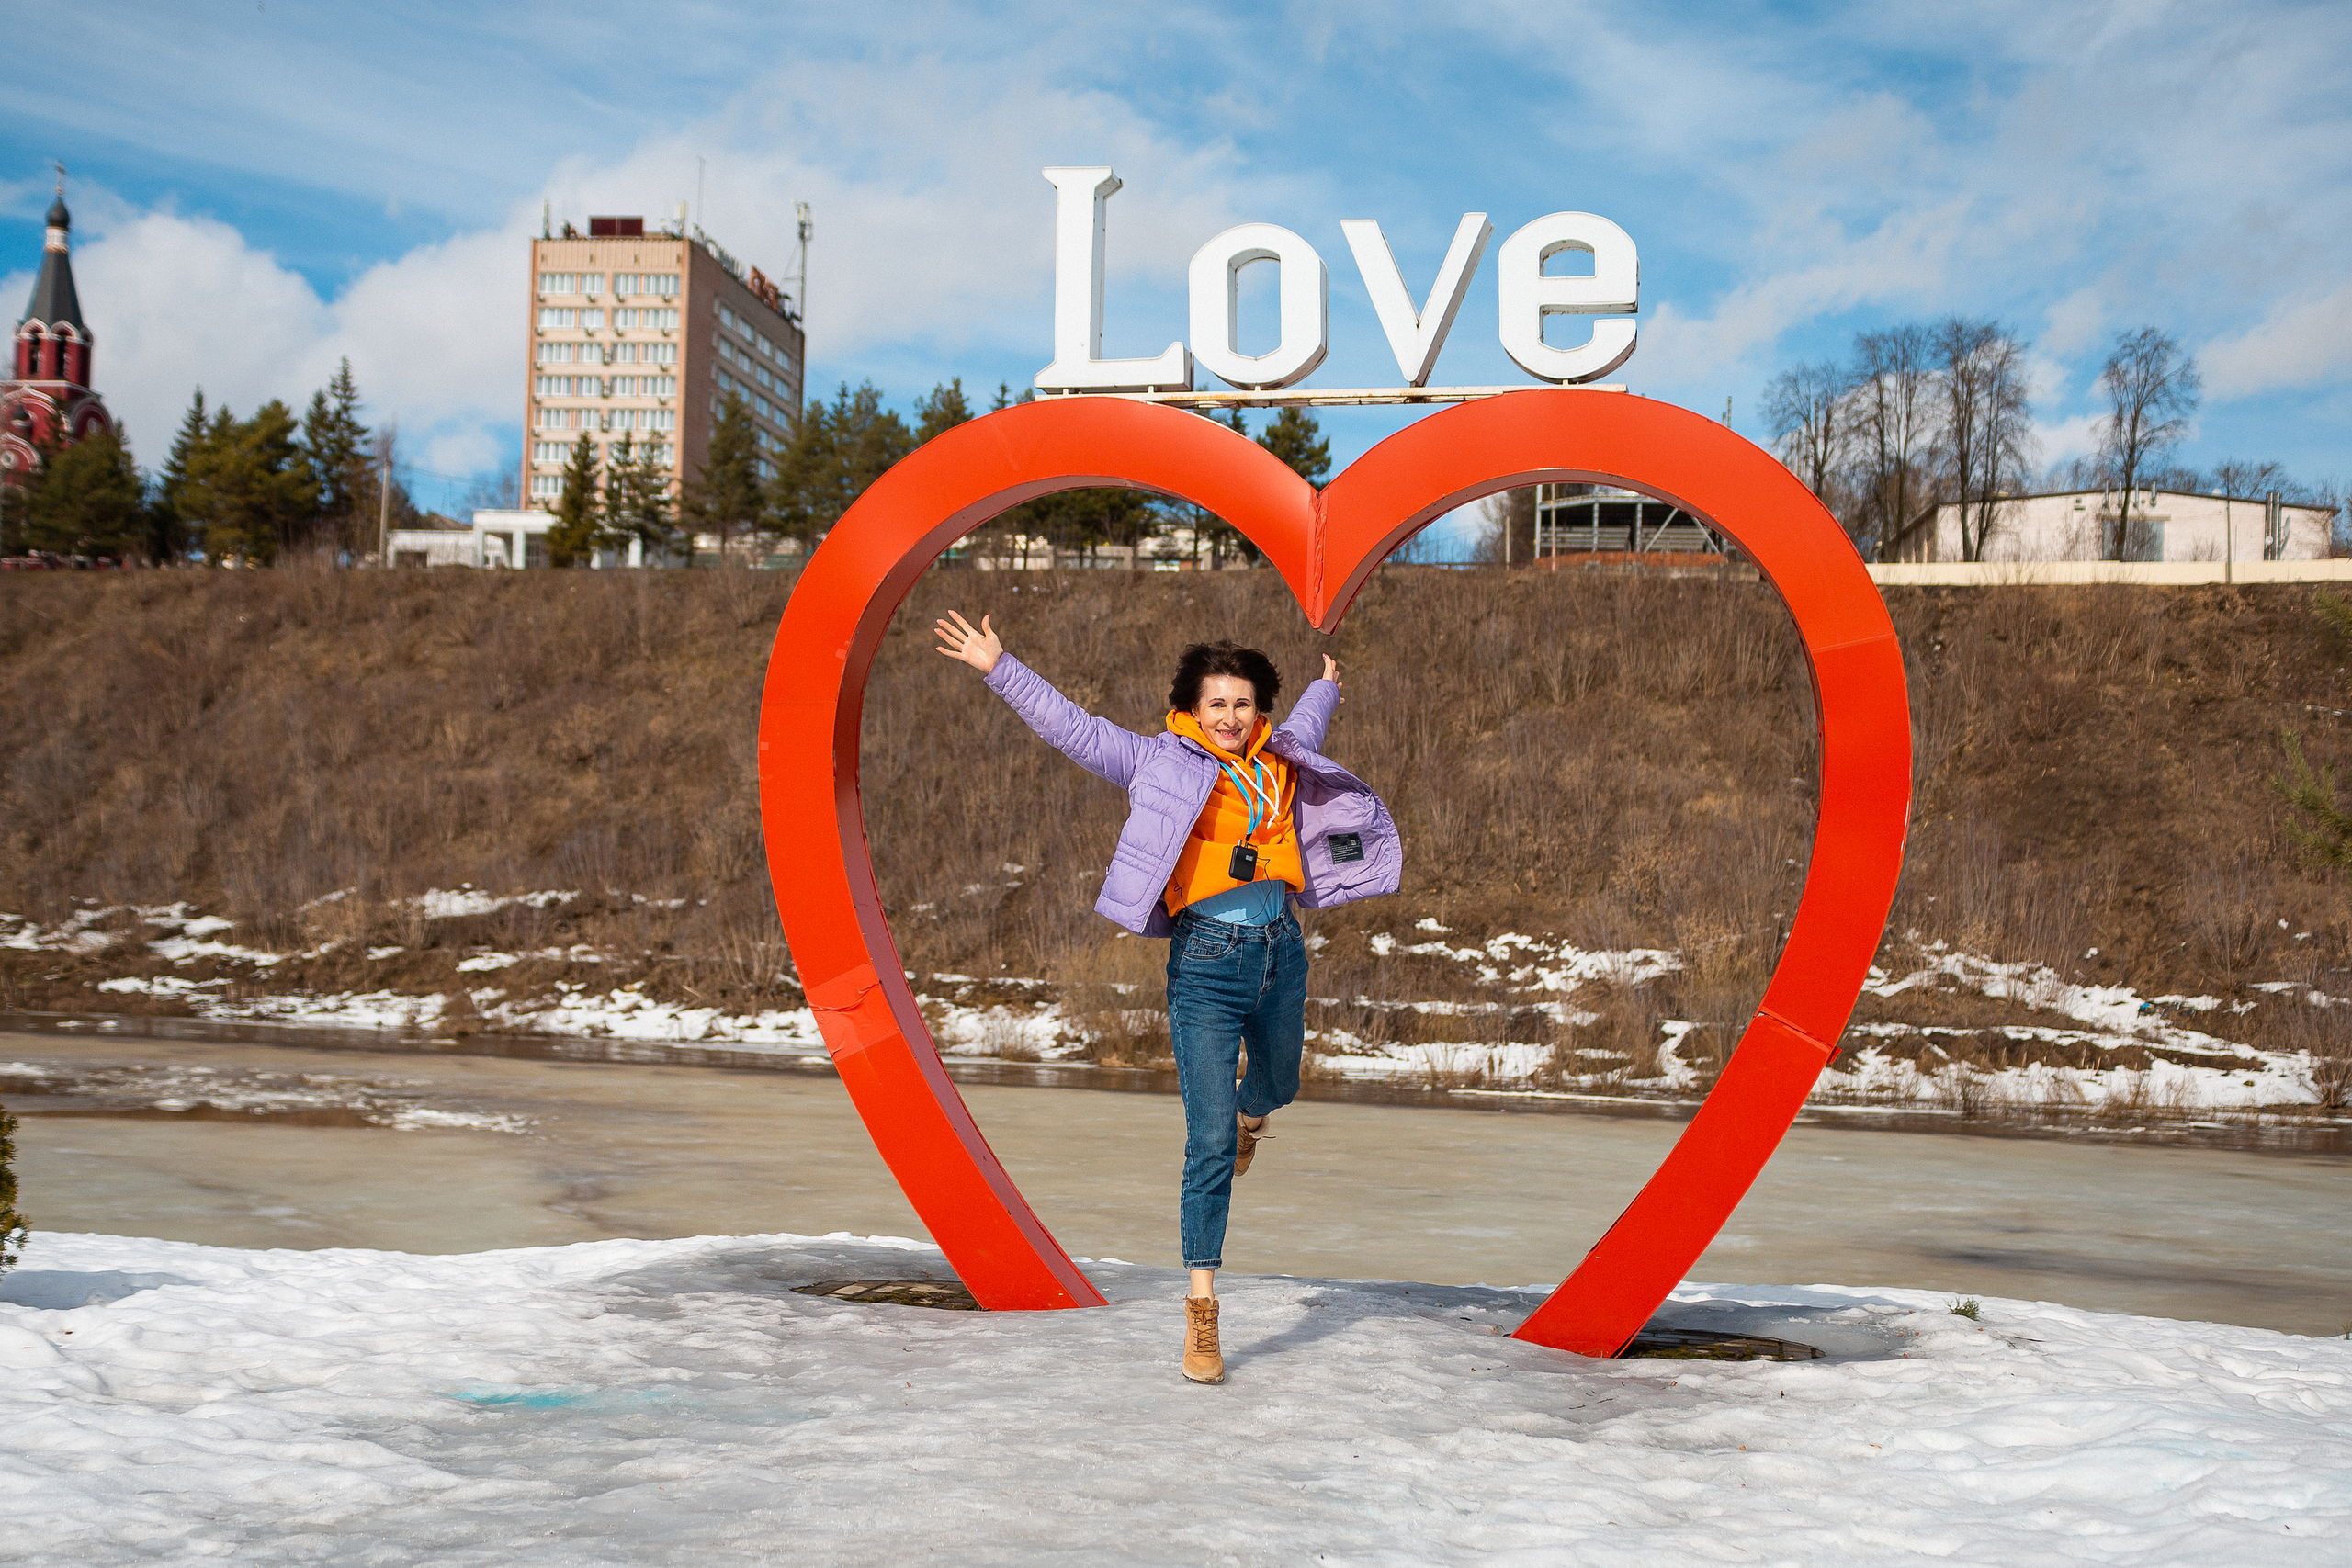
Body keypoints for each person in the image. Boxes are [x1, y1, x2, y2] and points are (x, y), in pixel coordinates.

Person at [933, 611, 1400, 1384]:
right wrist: (999, 665)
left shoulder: (1280, 754)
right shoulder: (1155, 761)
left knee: (1280, 1082)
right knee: (1208, 1143)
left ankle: (1257, 1116)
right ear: (1190, 706)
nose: (1230, 716)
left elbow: (1307, 719)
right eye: (1216, 703)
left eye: (1243, 703)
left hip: (1281, 951)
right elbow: (1073, 727)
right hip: (1207, 966)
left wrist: (1325, 687)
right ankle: (1203, 1307)